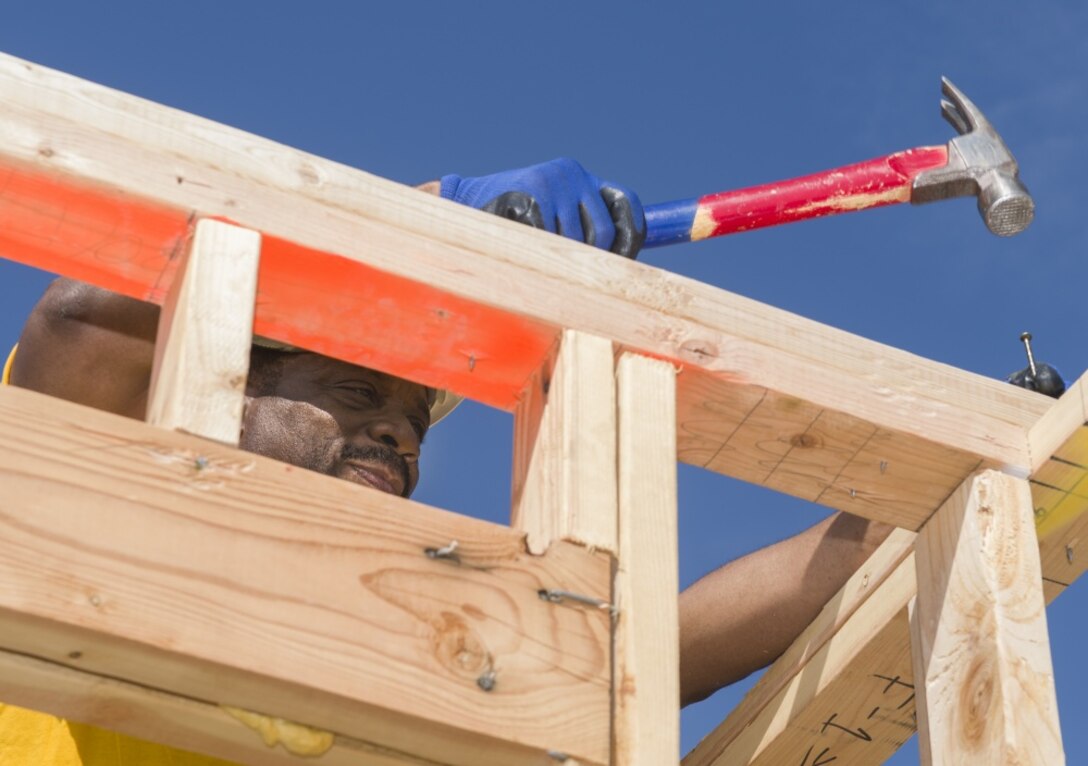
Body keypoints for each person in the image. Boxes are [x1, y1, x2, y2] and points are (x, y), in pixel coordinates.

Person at [1, 159, 893, 764]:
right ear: (235, 385)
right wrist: (434, 217)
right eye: (356, 397)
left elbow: (646, 659)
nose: (399, 433)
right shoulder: (102, 505)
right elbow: (87, 316)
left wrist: (891, 521)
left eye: (413, 424)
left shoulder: (409, 632)